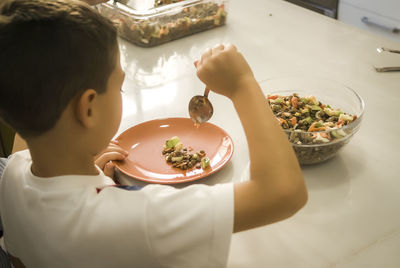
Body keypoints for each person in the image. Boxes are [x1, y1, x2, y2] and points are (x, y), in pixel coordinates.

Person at [0, 0, 307, 267]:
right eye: (119, 86)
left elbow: (18, 258)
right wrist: (242, 84)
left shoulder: (11, 176)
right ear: (88, 109)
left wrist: (85, 172)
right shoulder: (140, 218)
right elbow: (284, 192)